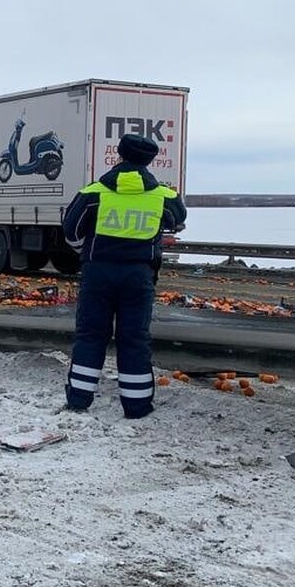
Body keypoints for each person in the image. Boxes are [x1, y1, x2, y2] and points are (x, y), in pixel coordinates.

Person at [62, 133, 187, 418]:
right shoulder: (165, 196)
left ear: (119, 154)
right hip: (139, 276)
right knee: (134, 338)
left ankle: (79, 401)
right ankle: (137, 407)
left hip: (97, 274)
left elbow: (71, 231)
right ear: (150, 160)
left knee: (90, 335)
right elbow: (178, 220)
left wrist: (90, 252)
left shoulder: (94, 192)